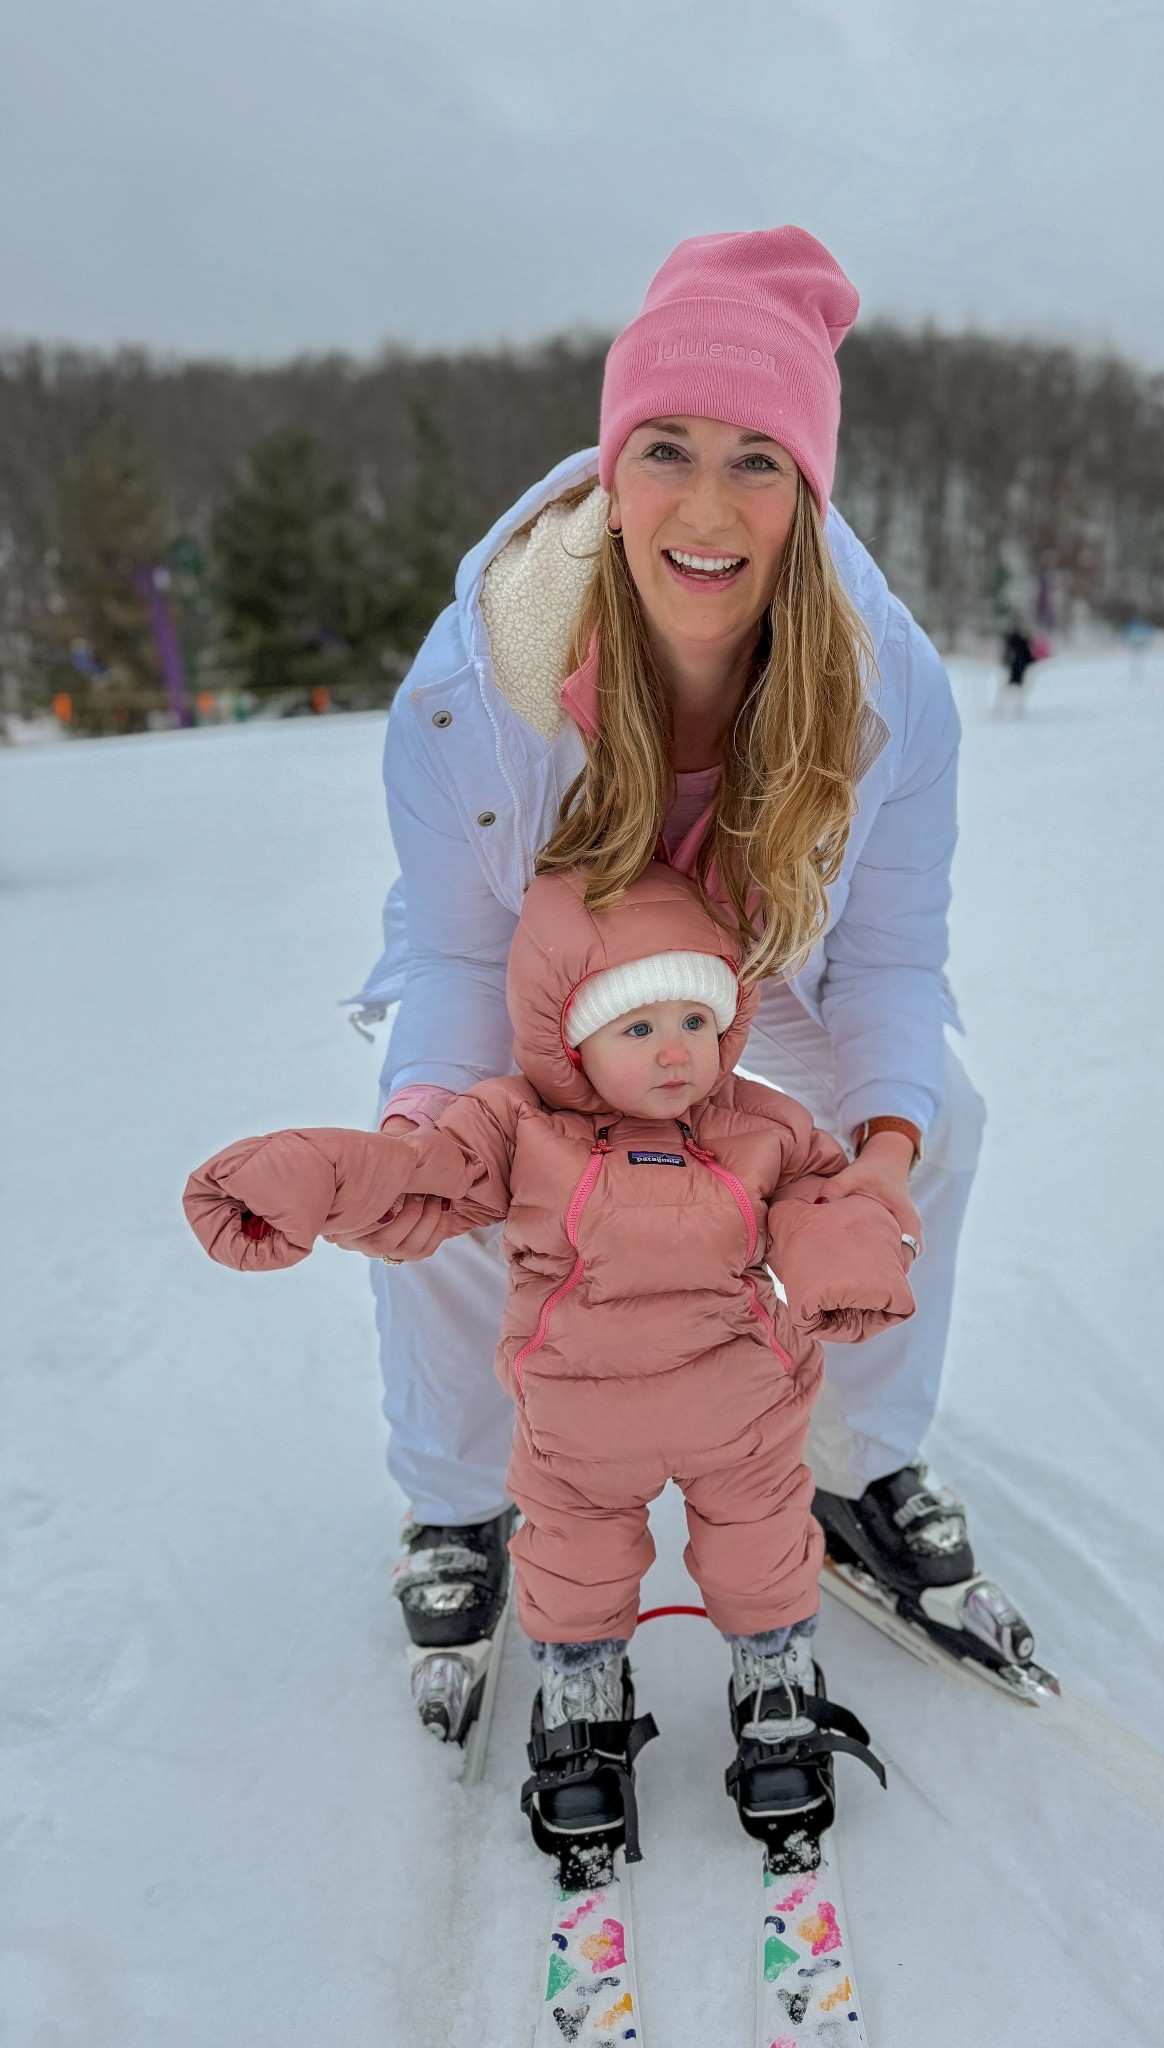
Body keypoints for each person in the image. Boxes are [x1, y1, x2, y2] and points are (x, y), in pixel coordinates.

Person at [344, 224, 1038, 1734]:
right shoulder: (480, 685)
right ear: (610, 466)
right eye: (666, 448)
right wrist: (419, 1135)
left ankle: (853, 1469)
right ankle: (462, 1497)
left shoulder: (887, 686)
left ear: (809, 490)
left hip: (758, 946)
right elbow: (464, 949)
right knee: (452, 1154)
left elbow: (893, 957)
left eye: (758, 461)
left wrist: (883, 1167)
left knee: (946, 1113)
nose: (707, 507)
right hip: (549, 960)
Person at [185, 863, 900, 1876]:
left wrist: (848, 1267)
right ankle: (580, 1694)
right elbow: (417, 1175)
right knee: (574, 1559)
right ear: (571, 1036)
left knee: (764, 1540)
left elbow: (829, 1199)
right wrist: (308, 1175)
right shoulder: (517, 1127)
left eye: (696, 1019)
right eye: (637, 1028)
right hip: (578, 1424)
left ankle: (775, 1681)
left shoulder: (763, 1126)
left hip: (739, 1409)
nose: (675, 1053)